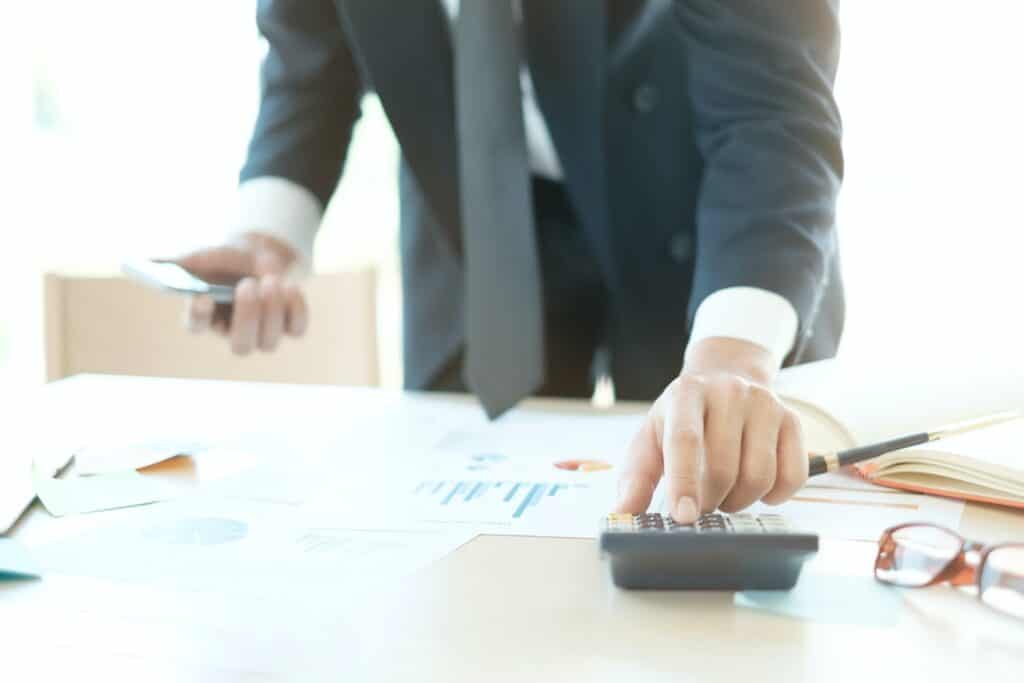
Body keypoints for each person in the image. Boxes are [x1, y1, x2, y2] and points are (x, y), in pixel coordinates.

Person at [175, 0, 845, 524]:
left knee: (719, 506)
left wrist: (733, 357)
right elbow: (311, 60)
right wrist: (270, 233)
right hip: (480, 220)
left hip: (709, 212)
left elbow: (772, 111)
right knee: (458, 539)